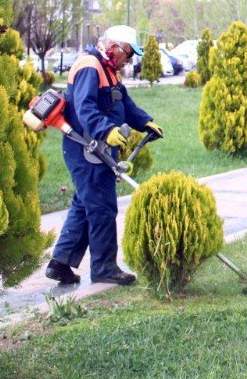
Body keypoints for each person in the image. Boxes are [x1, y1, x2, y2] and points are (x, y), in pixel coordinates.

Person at [45, 25, 164, 286]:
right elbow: (85, 109)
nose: (130, 60)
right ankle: (104, 268)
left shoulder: (108, 70)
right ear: (115, 48)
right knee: (102, 208)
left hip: (96, 147)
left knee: (85, 204)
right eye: (129, 54)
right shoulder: (90, 66)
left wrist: (145, 123)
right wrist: (107, 130)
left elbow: (125, 104)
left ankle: (60, 264)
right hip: (84, 147)